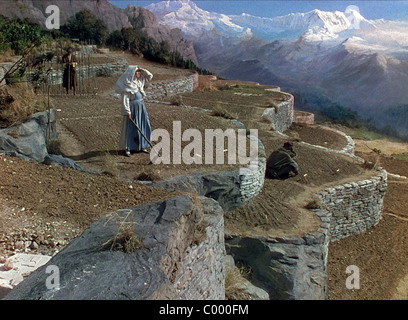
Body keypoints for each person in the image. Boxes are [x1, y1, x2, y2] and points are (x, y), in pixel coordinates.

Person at [115, 65, 153, 157]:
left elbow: (150, 76)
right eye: (137, 72)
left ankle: (142, 146)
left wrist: (142, 69)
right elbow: (125, 100)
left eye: (139, 72)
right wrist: (127, 112)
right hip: (133, 109)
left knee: (142, 125)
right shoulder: (127, 85)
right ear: (132, 73)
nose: (139, 73)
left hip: (141, 107)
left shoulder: (139, 82)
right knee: (131, 128)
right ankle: (128, 148)